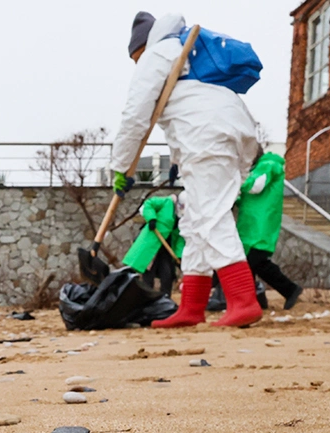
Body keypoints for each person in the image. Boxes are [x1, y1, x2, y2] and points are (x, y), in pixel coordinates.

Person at [111, 12, 263, 328]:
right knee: (194, 221)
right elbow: (184, 111)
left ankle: (243, 301)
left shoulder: (157, 53)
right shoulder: (186, 55)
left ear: (141, 47)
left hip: (207, 138)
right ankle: (191, 307)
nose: (136, 63)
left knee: (210, 215)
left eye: (135, 57)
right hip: (228, 134)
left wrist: (121, 167)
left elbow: (135, 115)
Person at [236, 151, 303, 310]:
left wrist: (233, 182)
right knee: (252, 262)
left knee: (254, 262)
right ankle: (257, 300)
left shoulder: (268, 165)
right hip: (253, 225)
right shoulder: (262, 167)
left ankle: (288, 289)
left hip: (260, 225)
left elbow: (255, 186)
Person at [122, 195, 184, 296]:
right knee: (149, 274)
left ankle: (165, 301)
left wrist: (178, 256)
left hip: (167, 248)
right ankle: (147, 300)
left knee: (167, 275)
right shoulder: (166, 202)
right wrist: (151, 218)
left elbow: (180, 238)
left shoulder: (184, 217)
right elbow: (148, 204)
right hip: (153, 244)